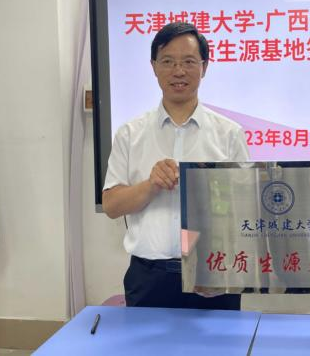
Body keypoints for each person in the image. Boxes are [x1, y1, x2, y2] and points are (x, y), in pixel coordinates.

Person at [102, 21, 249, 309]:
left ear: (204, 67)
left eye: (189, 62)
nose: (178, 71)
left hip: (213, 270)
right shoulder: (130, 133)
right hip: (149, 277)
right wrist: (150, 185)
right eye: (168, 61)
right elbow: (111, 206)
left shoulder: (229, 134)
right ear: (154, 67)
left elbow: (245, 207)